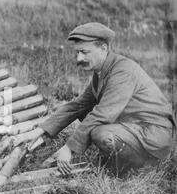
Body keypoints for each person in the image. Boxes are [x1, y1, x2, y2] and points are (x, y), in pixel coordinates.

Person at [30, 22, 175, 175]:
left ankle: (141, 166)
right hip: (136, 127)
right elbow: (79, 105)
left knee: (101, 133)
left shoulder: (123, 71)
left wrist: (69, 148)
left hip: (153, 134)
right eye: (77, 52)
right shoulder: (102, 71)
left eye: (85, 52)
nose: (79, 58)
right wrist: (40, 130)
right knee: (84, 112)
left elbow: (103, 113)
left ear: (103, 48)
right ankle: (123, 157)